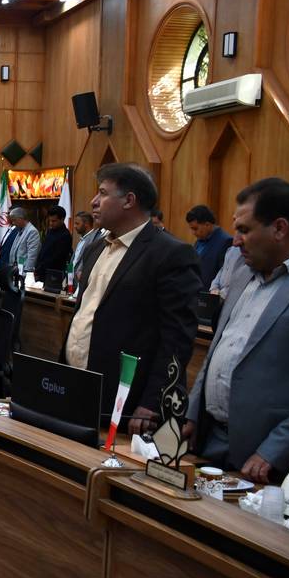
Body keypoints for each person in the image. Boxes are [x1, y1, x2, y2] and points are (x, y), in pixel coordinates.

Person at [61, 163, 200, 431]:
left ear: (129, 200)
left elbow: (177, 338)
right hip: (76, 385)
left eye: (103, 193)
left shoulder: (170, 253)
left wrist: (152, 401)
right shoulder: (95, 248)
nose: (93, 201)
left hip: (125, 401)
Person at [185, 178, 289, 483]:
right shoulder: (243, 274)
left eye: (244, 230)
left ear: (279, 229)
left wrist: (274, 450)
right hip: (209, 440)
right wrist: (193, 413)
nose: (235, 241)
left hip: (265, 459)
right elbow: (215, 351)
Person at [186, 204, 233, 290]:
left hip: (210, 293)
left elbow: (224, 275)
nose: (193, 233)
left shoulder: (225, 241)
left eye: (195, 229)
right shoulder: (199, 240)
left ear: (207, 225)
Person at [0, 207, 40, 274]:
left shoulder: (32, 232)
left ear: (21, 218)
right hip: (16, 270)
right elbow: (14, 249)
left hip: (24, 272)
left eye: (14, 220)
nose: (13, 223)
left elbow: (32, 255)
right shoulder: (20, 230)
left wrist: (27, 272)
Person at [37, 205, 74, 275]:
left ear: (62, 219)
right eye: (49, 220)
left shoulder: (65, 236)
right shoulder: (50, 231)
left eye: (54, 221)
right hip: (42, 271)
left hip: (54, 274)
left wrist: (40, 268)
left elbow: (56, 258)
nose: (51, 223)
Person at [71, 210, 101, 282]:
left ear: (86, 224)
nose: (74, 226)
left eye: (77, 223)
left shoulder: (94, 240)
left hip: (82, 281)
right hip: (72, 281)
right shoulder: (82, 240)